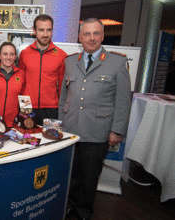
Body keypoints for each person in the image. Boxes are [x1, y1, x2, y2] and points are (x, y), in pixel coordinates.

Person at [58, 18, 131, 220]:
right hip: (70, 129)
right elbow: (64, 96)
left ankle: (83, 212)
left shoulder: (117, 62)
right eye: (87, 34)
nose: (91, 38)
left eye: (96, 33)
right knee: (72, 174)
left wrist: (117, 130)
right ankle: (69, 206)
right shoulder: (70, 61)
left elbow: (123, 100)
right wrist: (59, 124)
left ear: (103, 36)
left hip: (97, 131)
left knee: (89, 178)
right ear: (80, 37)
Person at [19, 14, 67, 125]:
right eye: (41, 30)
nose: (45, 34)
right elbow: (21, 83)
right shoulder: (25, 53)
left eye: (48, 30)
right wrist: (21, 107)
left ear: (52, 31)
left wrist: (61, 109)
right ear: (34, 31)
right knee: (28, 140)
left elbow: (62, 87)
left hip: (52, 109)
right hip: (27, 107)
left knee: (51, 141)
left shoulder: (61, 55)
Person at [0, 42, 25, 127]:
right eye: (5, 54)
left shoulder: (21, 74)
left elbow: (24, 98)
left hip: (14, 124)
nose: (8, 57)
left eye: (11, 54)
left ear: (15, 57)